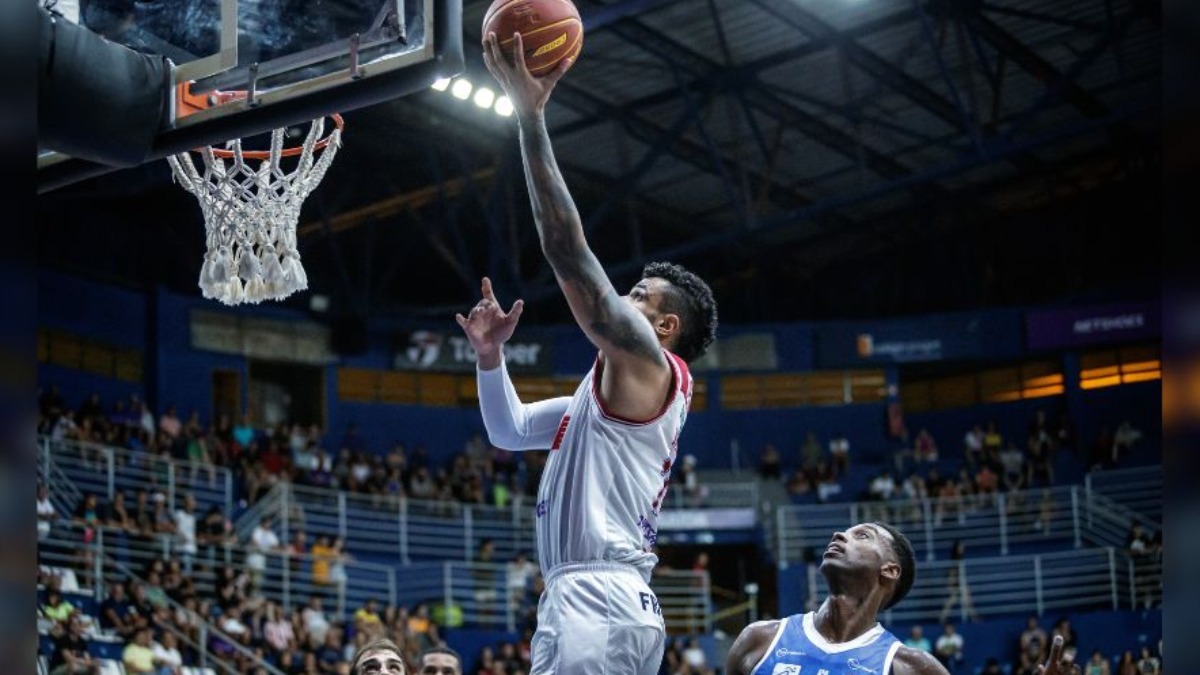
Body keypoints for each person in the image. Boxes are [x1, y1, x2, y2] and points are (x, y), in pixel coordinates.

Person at [475, 32, 719, 675]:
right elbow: (508, 429)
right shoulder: (604, 404)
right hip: (594, 598)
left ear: (665, 326)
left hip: (597, 599)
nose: (621, 298)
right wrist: (491, 358)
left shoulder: (651, 365)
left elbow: (564, 249)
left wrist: (529, 117)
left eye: (638, 296)